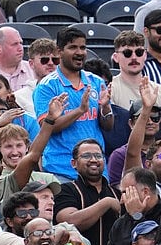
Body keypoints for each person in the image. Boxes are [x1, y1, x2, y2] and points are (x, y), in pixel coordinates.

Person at [33, 28, 114, 181]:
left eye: (83, 47)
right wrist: (80, 110)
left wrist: (105, 108)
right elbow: (48, 128)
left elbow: (108, 126)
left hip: (96, 169)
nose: (79, 52)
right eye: (73, 47)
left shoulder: (96, 81)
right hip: (61, 170)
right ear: (59, 51)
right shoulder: (47, 86)